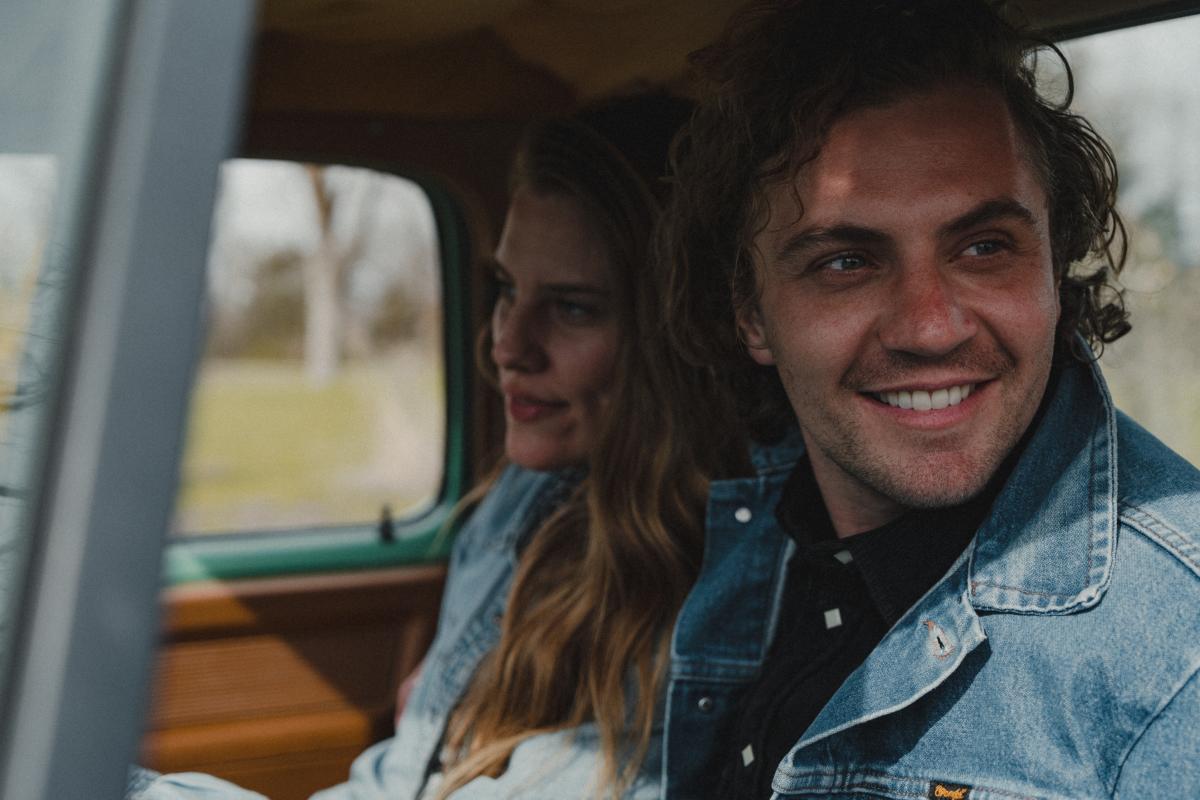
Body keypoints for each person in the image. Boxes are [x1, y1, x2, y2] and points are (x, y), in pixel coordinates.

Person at [131, 94, 746, 799]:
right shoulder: (526, 499)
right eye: (507, 289)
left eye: (574, 307)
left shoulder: (714, 598)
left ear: (677, 338)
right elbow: (401, 780)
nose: (507, 344)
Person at [658, 1, 1200, 797]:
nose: (930, 326)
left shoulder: (1179, 653)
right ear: (750, 310)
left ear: (1056, 266)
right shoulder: (735, 533)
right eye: (846, 261)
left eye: (984, 247)